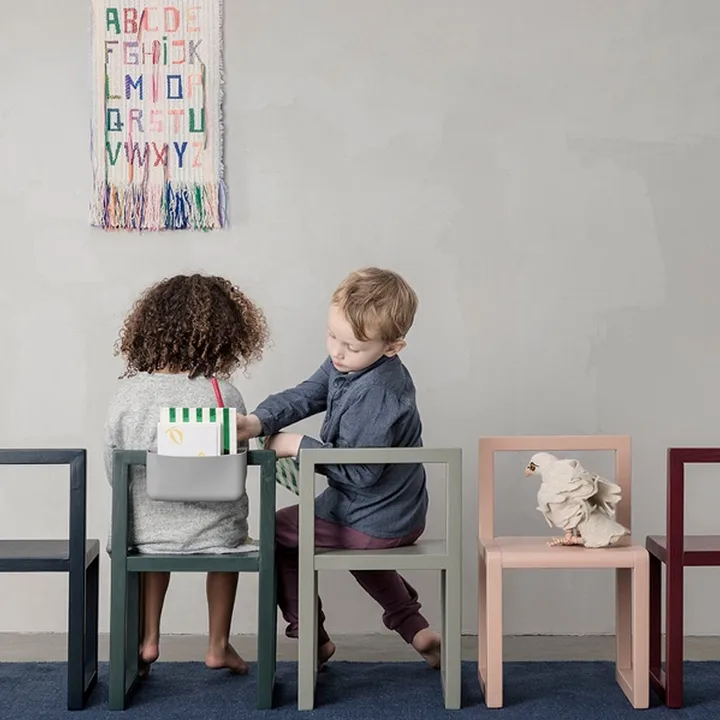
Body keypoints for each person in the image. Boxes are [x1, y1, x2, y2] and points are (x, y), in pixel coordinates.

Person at [237, 267, 441, 668]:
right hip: (388, 514)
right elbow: (307, 394)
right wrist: (259, 421)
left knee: (277, 532)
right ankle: (415, 628)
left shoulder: (380, 390)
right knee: (356, 549)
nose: (337, 352)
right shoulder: (349, 363)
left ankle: (310, 635)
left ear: (393, 347)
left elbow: (362, 472)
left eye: (351, 345)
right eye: (332, 336)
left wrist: (298, 446)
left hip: (374, 515)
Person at [104, 273, 269, 675]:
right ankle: (218, 645)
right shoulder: (224, 394)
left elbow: (114, 468)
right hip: (216, 532)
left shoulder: (129, 396)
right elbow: (237, 464)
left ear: (148, 330)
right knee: (228, 539)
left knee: (150, 536)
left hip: (146, 535)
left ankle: (149, 639)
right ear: (224, 335)